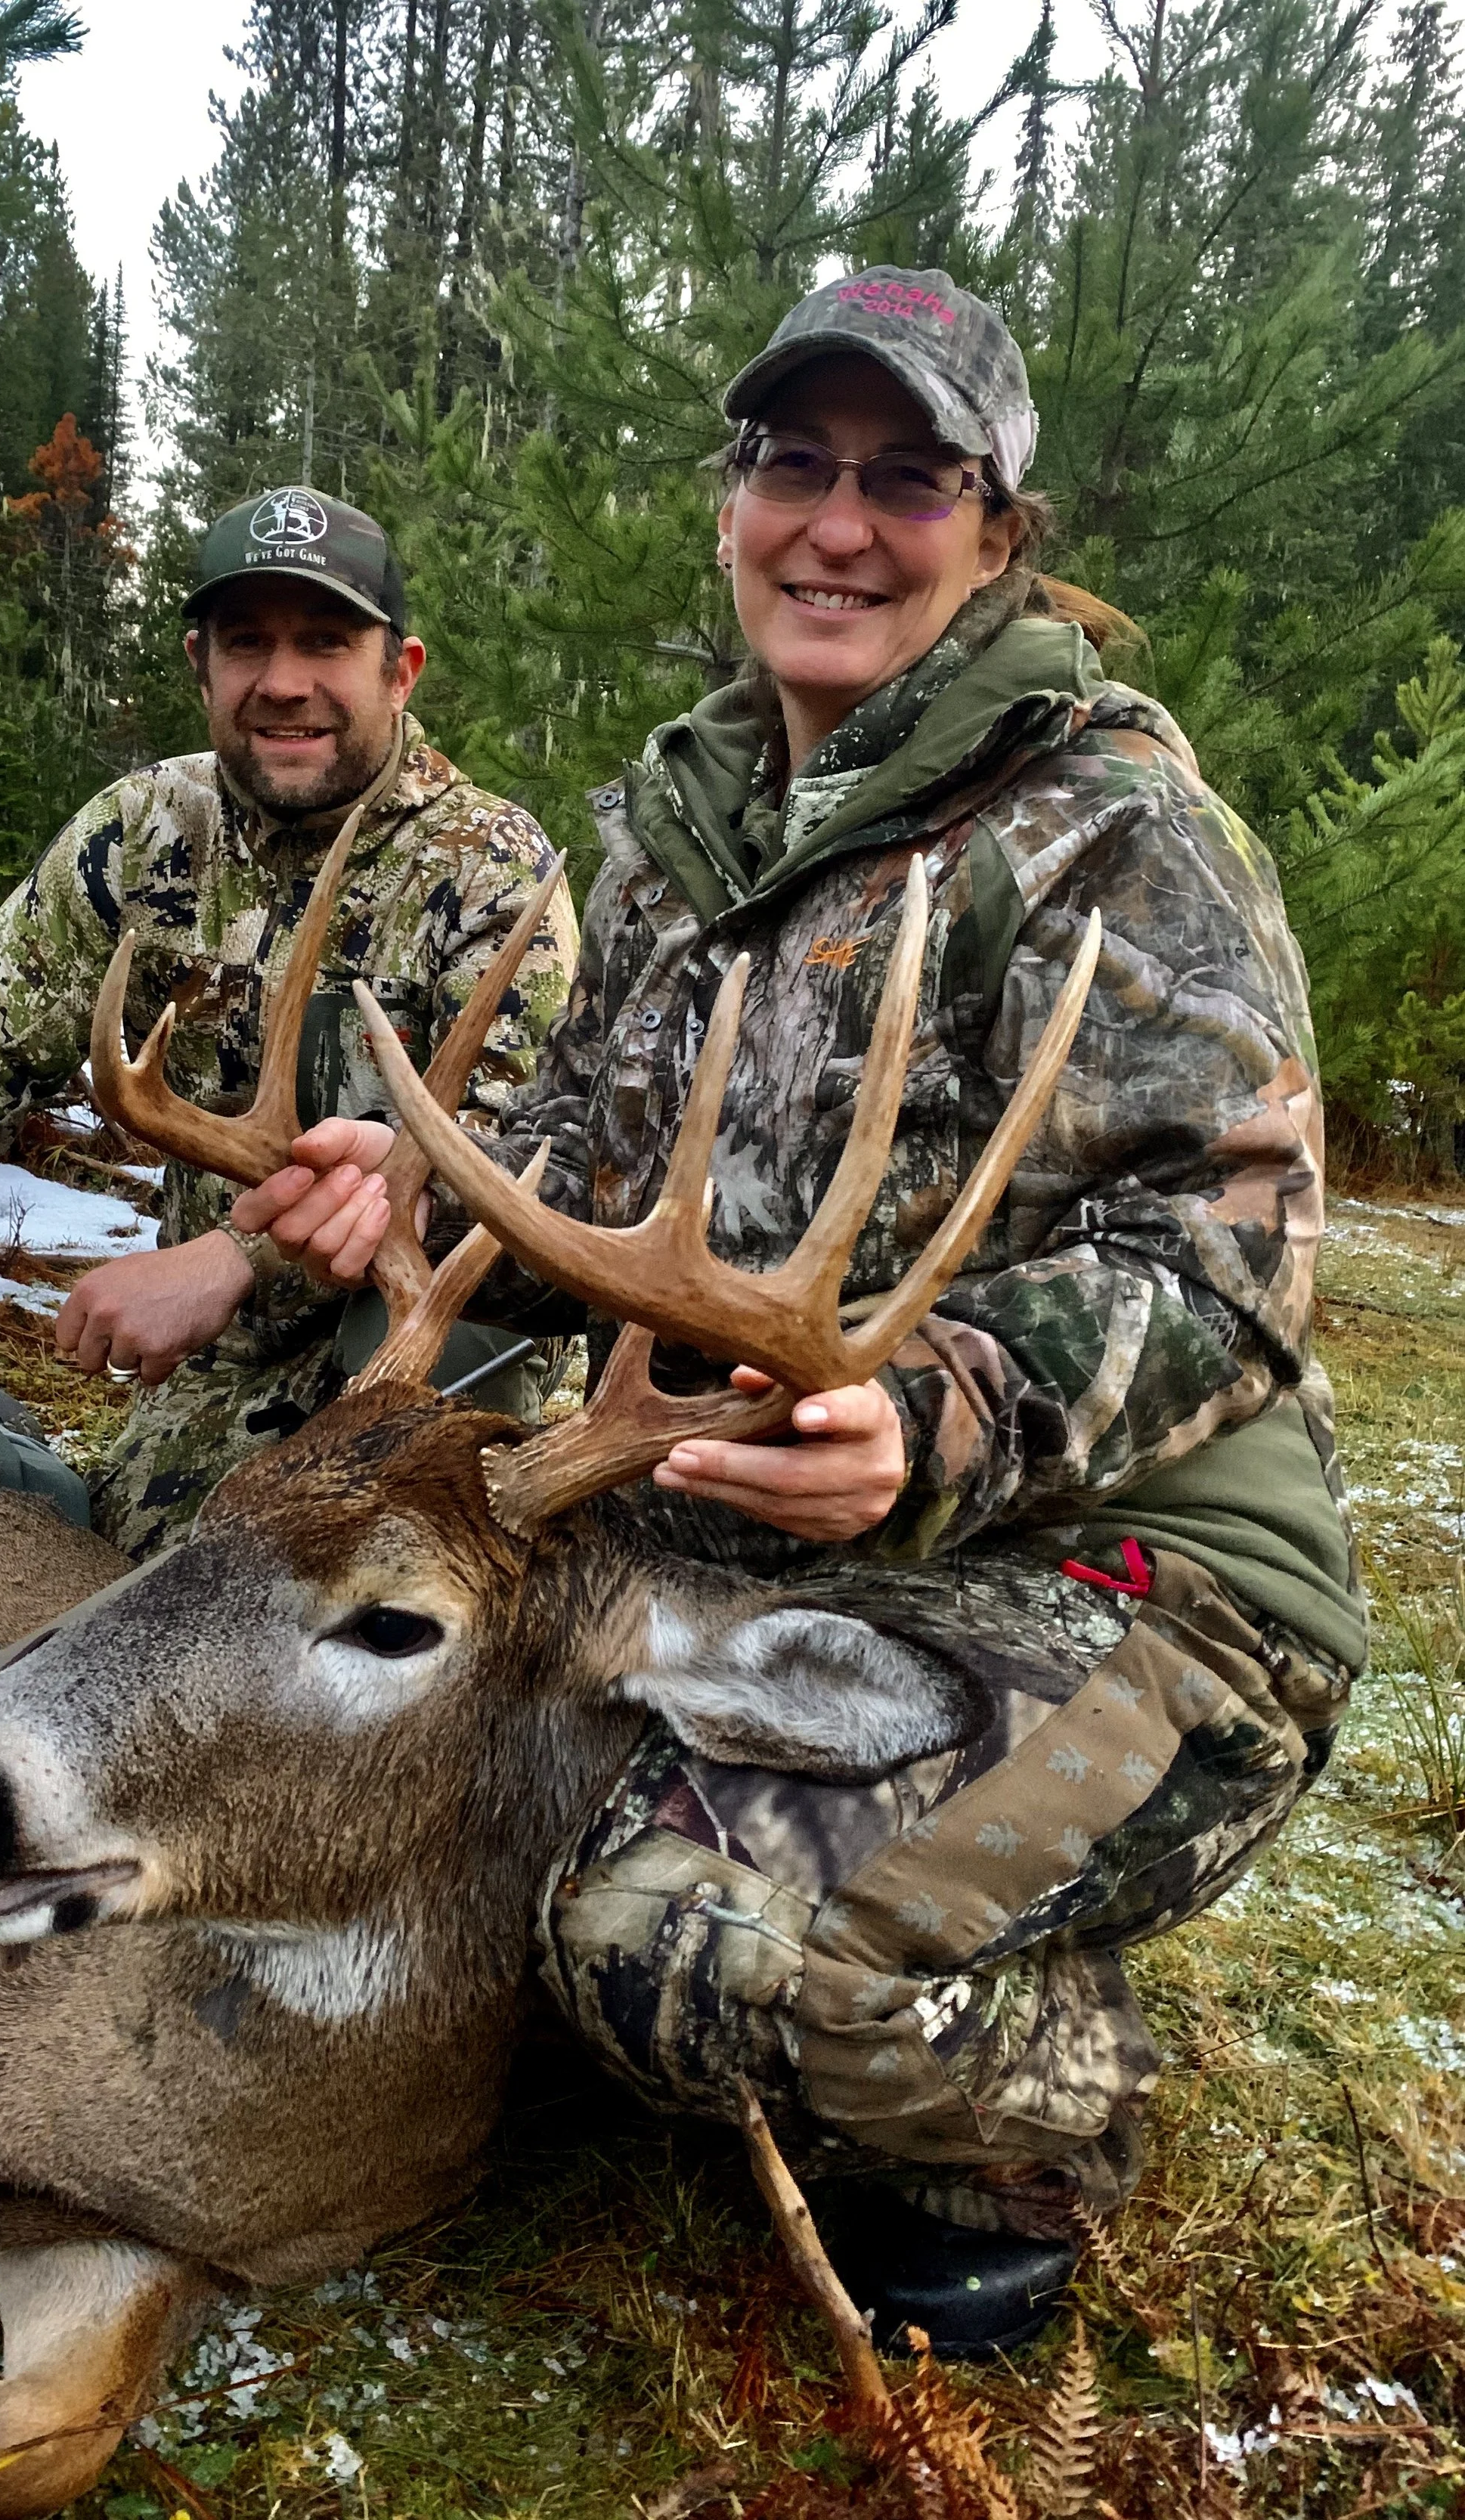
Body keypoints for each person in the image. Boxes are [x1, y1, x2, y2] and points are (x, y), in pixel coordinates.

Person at [231, 273, 1364, 2351]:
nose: (836, 525)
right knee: (316, 1681)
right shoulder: (681, 823)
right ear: (732, 494)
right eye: (794, 464)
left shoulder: (1115, 829)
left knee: (671, 1938)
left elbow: (1241, 1253)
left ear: (997, 530)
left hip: (1129, 1577)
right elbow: (590, 1146)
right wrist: (412, 1184)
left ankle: (1023, 2101)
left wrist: (935, 1415)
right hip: (728, 1527)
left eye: (906, 480)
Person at [0, 488, 576, 1557]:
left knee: (324, 1573)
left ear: (402, 670)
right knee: (116, 1573)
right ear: (200, 667)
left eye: (327, 642)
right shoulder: (141, 838)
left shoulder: (492, 872)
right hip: (213, 1373)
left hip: (422, 1354)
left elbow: (516, 1185)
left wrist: (233, 1259)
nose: (284, 682)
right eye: (247, 643)